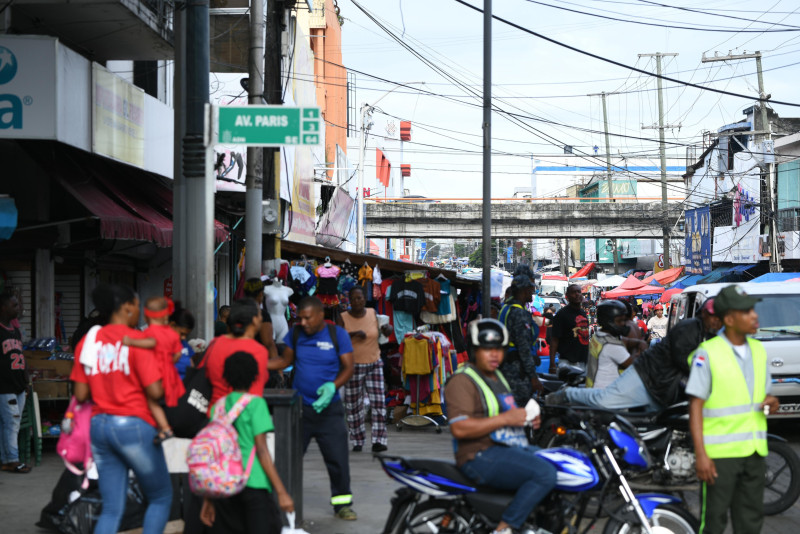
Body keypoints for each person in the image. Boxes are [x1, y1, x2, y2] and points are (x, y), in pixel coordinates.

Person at [70, 284, 172, 534]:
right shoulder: (138, 340)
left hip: (99, 427)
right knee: (160, 497)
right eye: (138, 304)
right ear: (126, 307)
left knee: (112, 508)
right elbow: (155, 392)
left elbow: (81, 393)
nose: (139, 310)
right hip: (133, 426)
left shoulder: (89, 340)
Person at [446, 318, 557, 534]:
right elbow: (460, 429)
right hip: (479, 454)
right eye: (487, 349)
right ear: (474, 350)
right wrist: (507, 419)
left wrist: (526, 419)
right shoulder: (462, 381)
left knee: (560, 462)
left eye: (499, 349)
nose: (495, 354)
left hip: (506, 448)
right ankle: (505, 528)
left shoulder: (497, 376)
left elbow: (505, 415)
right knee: (545, 473)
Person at [687, 285, 779, 534]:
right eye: (746, 311)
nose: (755, 315)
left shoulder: (759, 351)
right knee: (714, 522)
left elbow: (763, 397)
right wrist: (702, 454)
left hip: (755, 452)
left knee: (750, 521)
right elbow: (695, 406)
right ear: (729, 319)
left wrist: (772, 402)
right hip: (720, 457)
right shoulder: (708, 354)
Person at [547, 298, 722, 411]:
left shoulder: (603, 336)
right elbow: (684, 360)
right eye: (713, 316)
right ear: (703, 314)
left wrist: (637, 343)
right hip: (646, 375)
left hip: (662, 385)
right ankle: (568, 394)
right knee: (604, 401)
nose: (717, 320)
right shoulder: (690, 329)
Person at [276, 297, 357, 520]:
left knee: (338, 459)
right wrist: (254, 361)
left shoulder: (337, 335)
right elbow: (284, 362)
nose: (302, 322)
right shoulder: (295, 334)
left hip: (330, 411)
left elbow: (349, 367)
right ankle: (283, 503)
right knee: (289, 460)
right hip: (301, 409)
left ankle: (342, 504)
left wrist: (333, 386)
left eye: (307, 318)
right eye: (299, 318)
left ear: (321, 315)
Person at [199, 351, 293, 534]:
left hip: (223, 486)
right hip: (253, 483)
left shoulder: (218, 407)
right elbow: (262, 451)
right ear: (255, 376)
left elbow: (214, 454)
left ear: (226, 376)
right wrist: (282, 492)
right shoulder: (256, 404)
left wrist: (208, 500)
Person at [123, 296, 185, 444]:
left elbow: (152, 343)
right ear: (166, 316)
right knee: (168, 403)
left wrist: (131, 341)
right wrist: (169, 362)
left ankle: (164, 428)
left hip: (155, 374)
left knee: (151, 401)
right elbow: (178, 353)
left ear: (145, 315)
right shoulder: (172, 333)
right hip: (170, 374)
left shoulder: (147, 334)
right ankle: (167, 427)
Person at [338, 286, 392, 453]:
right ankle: (357, 440)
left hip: (374, 363)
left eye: (360, 298)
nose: (357, 301)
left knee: (378, 403)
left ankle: (379, 440)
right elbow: (337, 339)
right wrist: (353, 334)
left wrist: (387, 330)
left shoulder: (372, 313)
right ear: (349, 300)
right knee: (353, 405)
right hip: (352, 366)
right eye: (354, 298)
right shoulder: (343, 317)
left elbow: (383, 333)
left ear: (364, 298)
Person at [205, 299, 272, 407]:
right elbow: (255, 391)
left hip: (216, 415)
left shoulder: (215, 344)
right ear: (254, 320)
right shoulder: (258, 351)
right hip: (244, 417)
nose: (261, 318)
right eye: (260, 314)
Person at [498, 272, 544, 406]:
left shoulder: (506, 308)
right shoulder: (519, 313)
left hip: (507, 367)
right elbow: (524, 348)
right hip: (517, 371)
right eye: (531, 289)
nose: (533, 292)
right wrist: (533, 377)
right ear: (524, 291)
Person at [0, 291, 30, 473]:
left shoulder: (16, 331)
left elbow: (21, 356)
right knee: (12, 423)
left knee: (8, 424)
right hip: (4, 386)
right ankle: (13, 460)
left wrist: (26, 380)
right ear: (3, 307)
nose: (18, 308)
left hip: (19, 385)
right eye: (14, 305)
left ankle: (5, 459)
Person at [586, 300, 634, 389]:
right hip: (607, 395)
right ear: (609, 321)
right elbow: (635, 366)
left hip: (593, 390)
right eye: (620, 321)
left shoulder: (597, 337)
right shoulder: (611, 345)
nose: (623, 324)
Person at [548, 284, 590, 372]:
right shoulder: (561, 315)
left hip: (584, 361)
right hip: (568, 362)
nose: (577, 294)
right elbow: (554, 340)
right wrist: (552, 364)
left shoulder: (583, 313)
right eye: (574, 292)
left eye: (579, 292)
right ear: (567, 296)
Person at [242, 278, 280, 369]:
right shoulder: (261, 314)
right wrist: (278, 371)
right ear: (260, 294)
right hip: (257, 362)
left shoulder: (237, 311)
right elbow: (268, 343)